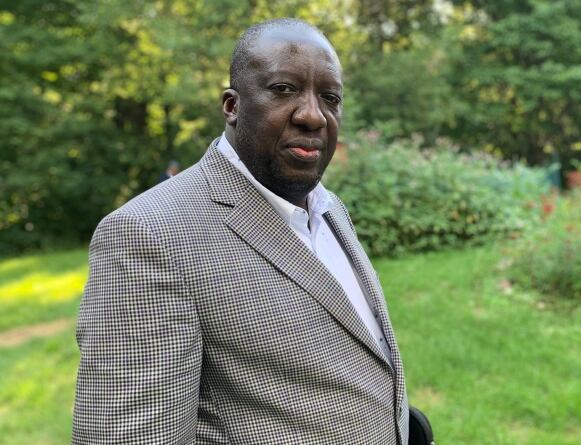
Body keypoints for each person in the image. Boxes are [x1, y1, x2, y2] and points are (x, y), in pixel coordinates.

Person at [72, 19, 417, 444]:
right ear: (232, 106)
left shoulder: (328, 207)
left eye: (330, 98)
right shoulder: (147, 235)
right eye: (283, 89)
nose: (313, 116)